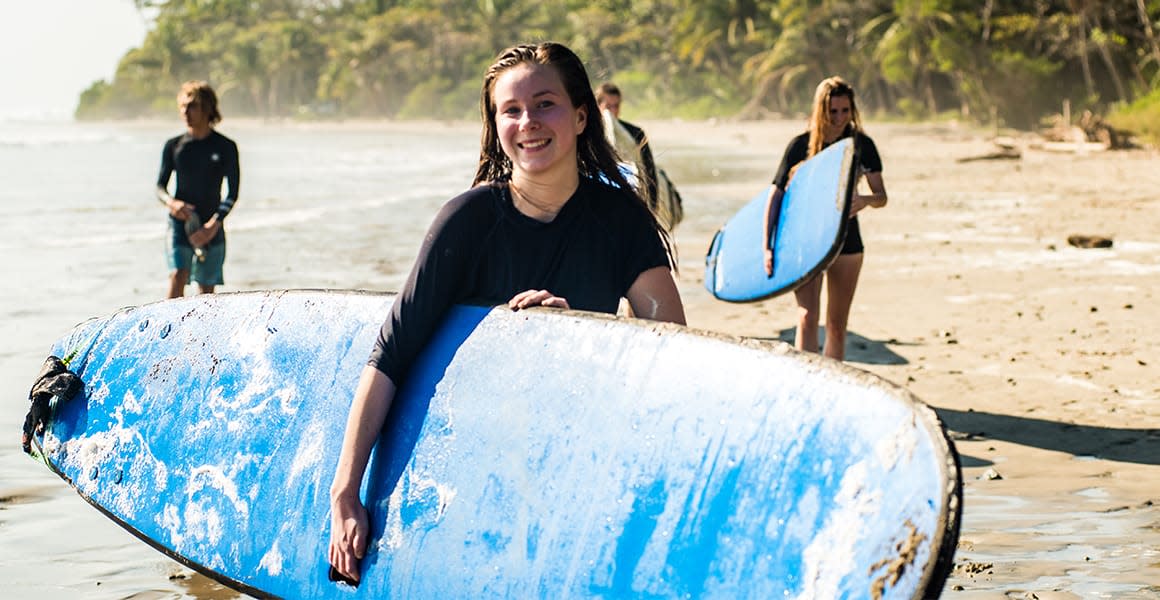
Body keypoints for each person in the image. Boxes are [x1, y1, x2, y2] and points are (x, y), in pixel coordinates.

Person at [327, 42, 686, 584]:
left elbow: (670, 348)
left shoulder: (620, 221)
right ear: (495, 125)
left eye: (546, 104)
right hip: (471, 472)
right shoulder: (467, 222)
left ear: (582, 116)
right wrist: (346, 492)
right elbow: (391, 356)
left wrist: (576, 336)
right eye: (510, 110)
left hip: (574, 461)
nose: (528, 123)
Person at [762, 76, 887, 361]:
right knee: (807, 317)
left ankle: (832, 386)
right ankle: (805, 382)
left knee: (837, 326)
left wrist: (866, 200)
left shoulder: (861, 144)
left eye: (845, 111)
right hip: (805, 240)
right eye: (833, 111)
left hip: (847, 240)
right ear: (821, 110)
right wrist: (768, 245)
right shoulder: (801, 145)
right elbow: (775, 197)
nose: (840, 118)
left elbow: (881, 196)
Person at [155, 80, 240, 299]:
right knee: (178, 274)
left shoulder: (225, 147)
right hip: (181, 222)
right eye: (183, 106)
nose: (185, 112)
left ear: (208, 108)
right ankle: (171, 331)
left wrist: (213, 224)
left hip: (212, 221)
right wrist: (172, 203)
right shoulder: (174, 146)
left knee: (206, 290)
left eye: (192, 106)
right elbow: (160, 187)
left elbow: (232, 192)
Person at [596, 82, 684, 232]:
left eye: (616, 106)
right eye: (608, 106)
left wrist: (652, 209)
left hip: (633, 203)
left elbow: (649, 173)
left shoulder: (636, 133)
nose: (612, 111)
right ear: (597, 106)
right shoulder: (587, 135)